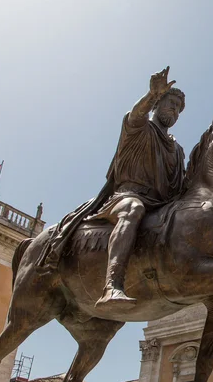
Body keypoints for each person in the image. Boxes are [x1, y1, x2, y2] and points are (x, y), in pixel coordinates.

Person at [38, 67, 186, 309]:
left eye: (179, 109)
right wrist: (150, 95)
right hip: (127, 195)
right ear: (158, 104)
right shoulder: (139, 129)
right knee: (133, 209)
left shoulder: (177, 150)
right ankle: (112, 285)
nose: (175, 111)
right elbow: (135, 115)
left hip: (161, 205)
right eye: (171, 104)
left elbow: (181, 186)